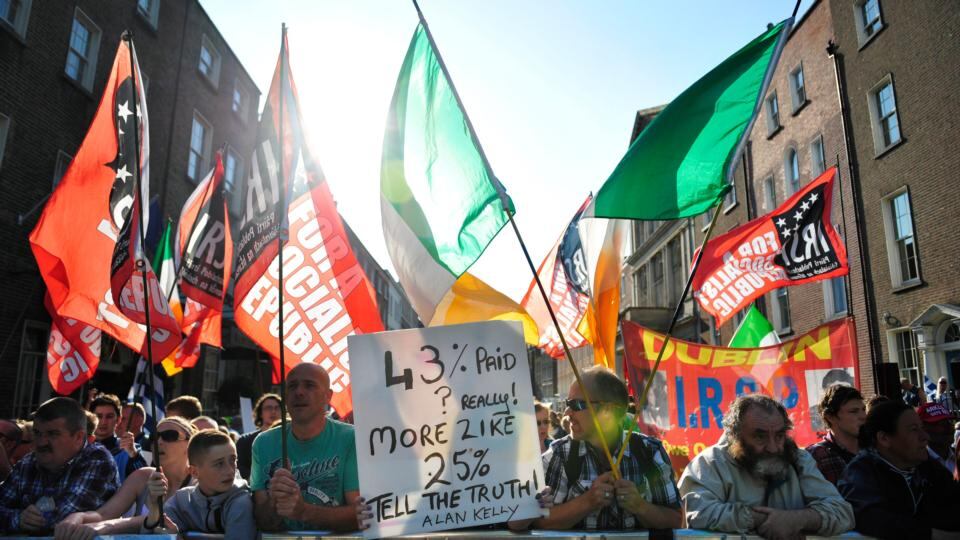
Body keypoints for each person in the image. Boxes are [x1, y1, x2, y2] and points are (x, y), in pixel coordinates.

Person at [511, 366, 681, 531]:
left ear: (607, 410)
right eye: (567, 403)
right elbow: (538, 521)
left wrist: (640, 506)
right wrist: (588, 502)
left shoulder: (650, 452)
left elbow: (677, 520)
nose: (567, 413)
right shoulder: (559, 454)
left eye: (578, 405)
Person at [678, 394, 854, 538]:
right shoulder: (710, 463)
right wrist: (761, 519)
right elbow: (697, 512)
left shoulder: (798, 459)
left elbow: (842, 512)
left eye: (779, 436)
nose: (773, 447)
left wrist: (796, 520)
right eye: (760, 437)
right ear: (736, 436)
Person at [250, 363, 360, 531]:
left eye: (310, 385)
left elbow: (359, 516)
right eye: (292, 386)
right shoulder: (263, 443)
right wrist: (274, 500)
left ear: (327, 396)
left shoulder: (351, 438)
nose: (299, 392)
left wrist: (304, 511)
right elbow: (263, 522)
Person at [54, 416, 199, 537]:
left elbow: (163, 520)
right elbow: (104, 515)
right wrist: (78, 517)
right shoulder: (142, 476)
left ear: (190, 444)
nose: (159, 442)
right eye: (155, 436)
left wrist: (107, 527)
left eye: (170, 436)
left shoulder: (199, 483)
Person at [838, 400, 960, 538]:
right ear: (884, 438)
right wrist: (937, 536)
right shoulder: (860, 474)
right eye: (914, 429)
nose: (925, 437)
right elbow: (873, 520)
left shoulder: (926, 466)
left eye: (922, 428)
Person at [0, 397, 119, 533]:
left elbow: (62, 522)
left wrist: (21, 520)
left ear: (79, 437)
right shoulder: (29, 462)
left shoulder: (97, 460)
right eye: (37, 433)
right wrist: (18, 518)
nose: (41, 442)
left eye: (53, 434)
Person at [140, 429, 255, 538]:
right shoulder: (182, 501)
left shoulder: (242, 502)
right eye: (219, 464)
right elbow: (149, 538)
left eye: (233, 460)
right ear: (194, 472)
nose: (230, 470)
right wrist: (154, 511)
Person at [805, 385, 866, 485]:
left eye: (863, 409)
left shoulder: (875, 448)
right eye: (854, 411)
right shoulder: (816, 457)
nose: (863, 416)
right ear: (830, 417)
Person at [90, 393, 146, 483]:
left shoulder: (129, 449)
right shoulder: (79, 447)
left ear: (118, 420)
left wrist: (133, 454)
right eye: (99, 416)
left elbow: (144, 480)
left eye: (109, 416)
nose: (103, 422)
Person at [237, 393, 282, 480]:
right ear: (260, 413)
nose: (273, 411)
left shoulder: (292, 439)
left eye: (277, 408)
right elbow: (240, 468)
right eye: (268, 408)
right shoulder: (245, 440)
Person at [918, 402, 957, 474]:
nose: (949, 428)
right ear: (923, 428)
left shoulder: (957, 455)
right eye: (942, 424)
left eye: (950, 421)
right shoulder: (918, 468)